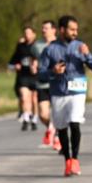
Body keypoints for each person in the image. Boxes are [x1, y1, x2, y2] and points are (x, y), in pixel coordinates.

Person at [38, 15, 92, 177]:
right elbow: (40, 74)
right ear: (62, 30)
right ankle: (67, 160)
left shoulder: (81, 46)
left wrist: (87, 55)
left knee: (75, 122)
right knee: (62, 128)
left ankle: (75, 159)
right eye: (72, 29)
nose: (75, 32)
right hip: (58, 92)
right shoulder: (50, 49)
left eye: (76, 30)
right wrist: (53, 71)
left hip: (77, 91)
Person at [34, 20, 60, 150]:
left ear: (54, 30)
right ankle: (51, 127)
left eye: (46, 28)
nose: (44, 30)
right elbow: (33, 58)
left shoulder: (60, 44)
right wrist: (33, 65)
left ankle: (57, 137)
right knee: (43, 114)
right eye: (43, 28)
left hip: (57, 83)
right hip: (42, 82)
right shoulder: (37, 45)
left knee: (58, 113)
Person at [9, 26, 40, 131]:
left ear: (34, 34)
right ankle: (26, 118)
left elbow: (44, 60)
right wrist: (15, 65)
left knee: (34, 99)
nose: (27, 35)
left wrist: (37, 65)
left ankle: (34, 118)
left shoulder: (38, 46)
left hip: (35, 76)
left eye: (29, 33)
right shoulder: (20, 46)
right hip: (23, 76)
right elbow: (13, 60)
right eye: (25, 33)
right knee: (24, 97)